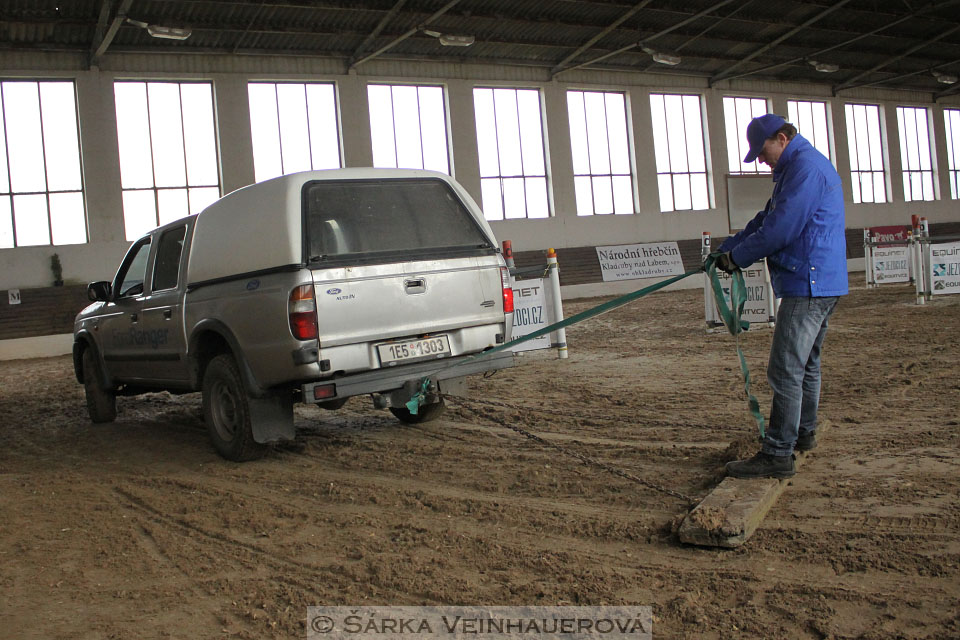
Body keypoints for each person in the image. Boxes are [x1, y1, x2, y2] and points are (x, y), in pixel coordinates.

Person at [714, 113, 847, 479]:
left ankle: (777, 452)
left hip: (809, 282)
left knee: (785, 367)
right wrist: (728, 248)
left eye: (762, 150)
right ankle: (802, 433)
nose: (760, 158)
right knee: (806, 364)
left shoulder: (804, 170)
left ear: (782, 139)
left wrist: (736, 258)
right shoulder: (798, 168)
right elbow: (766, 220)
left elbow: (781, 231)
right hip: (820, 280)